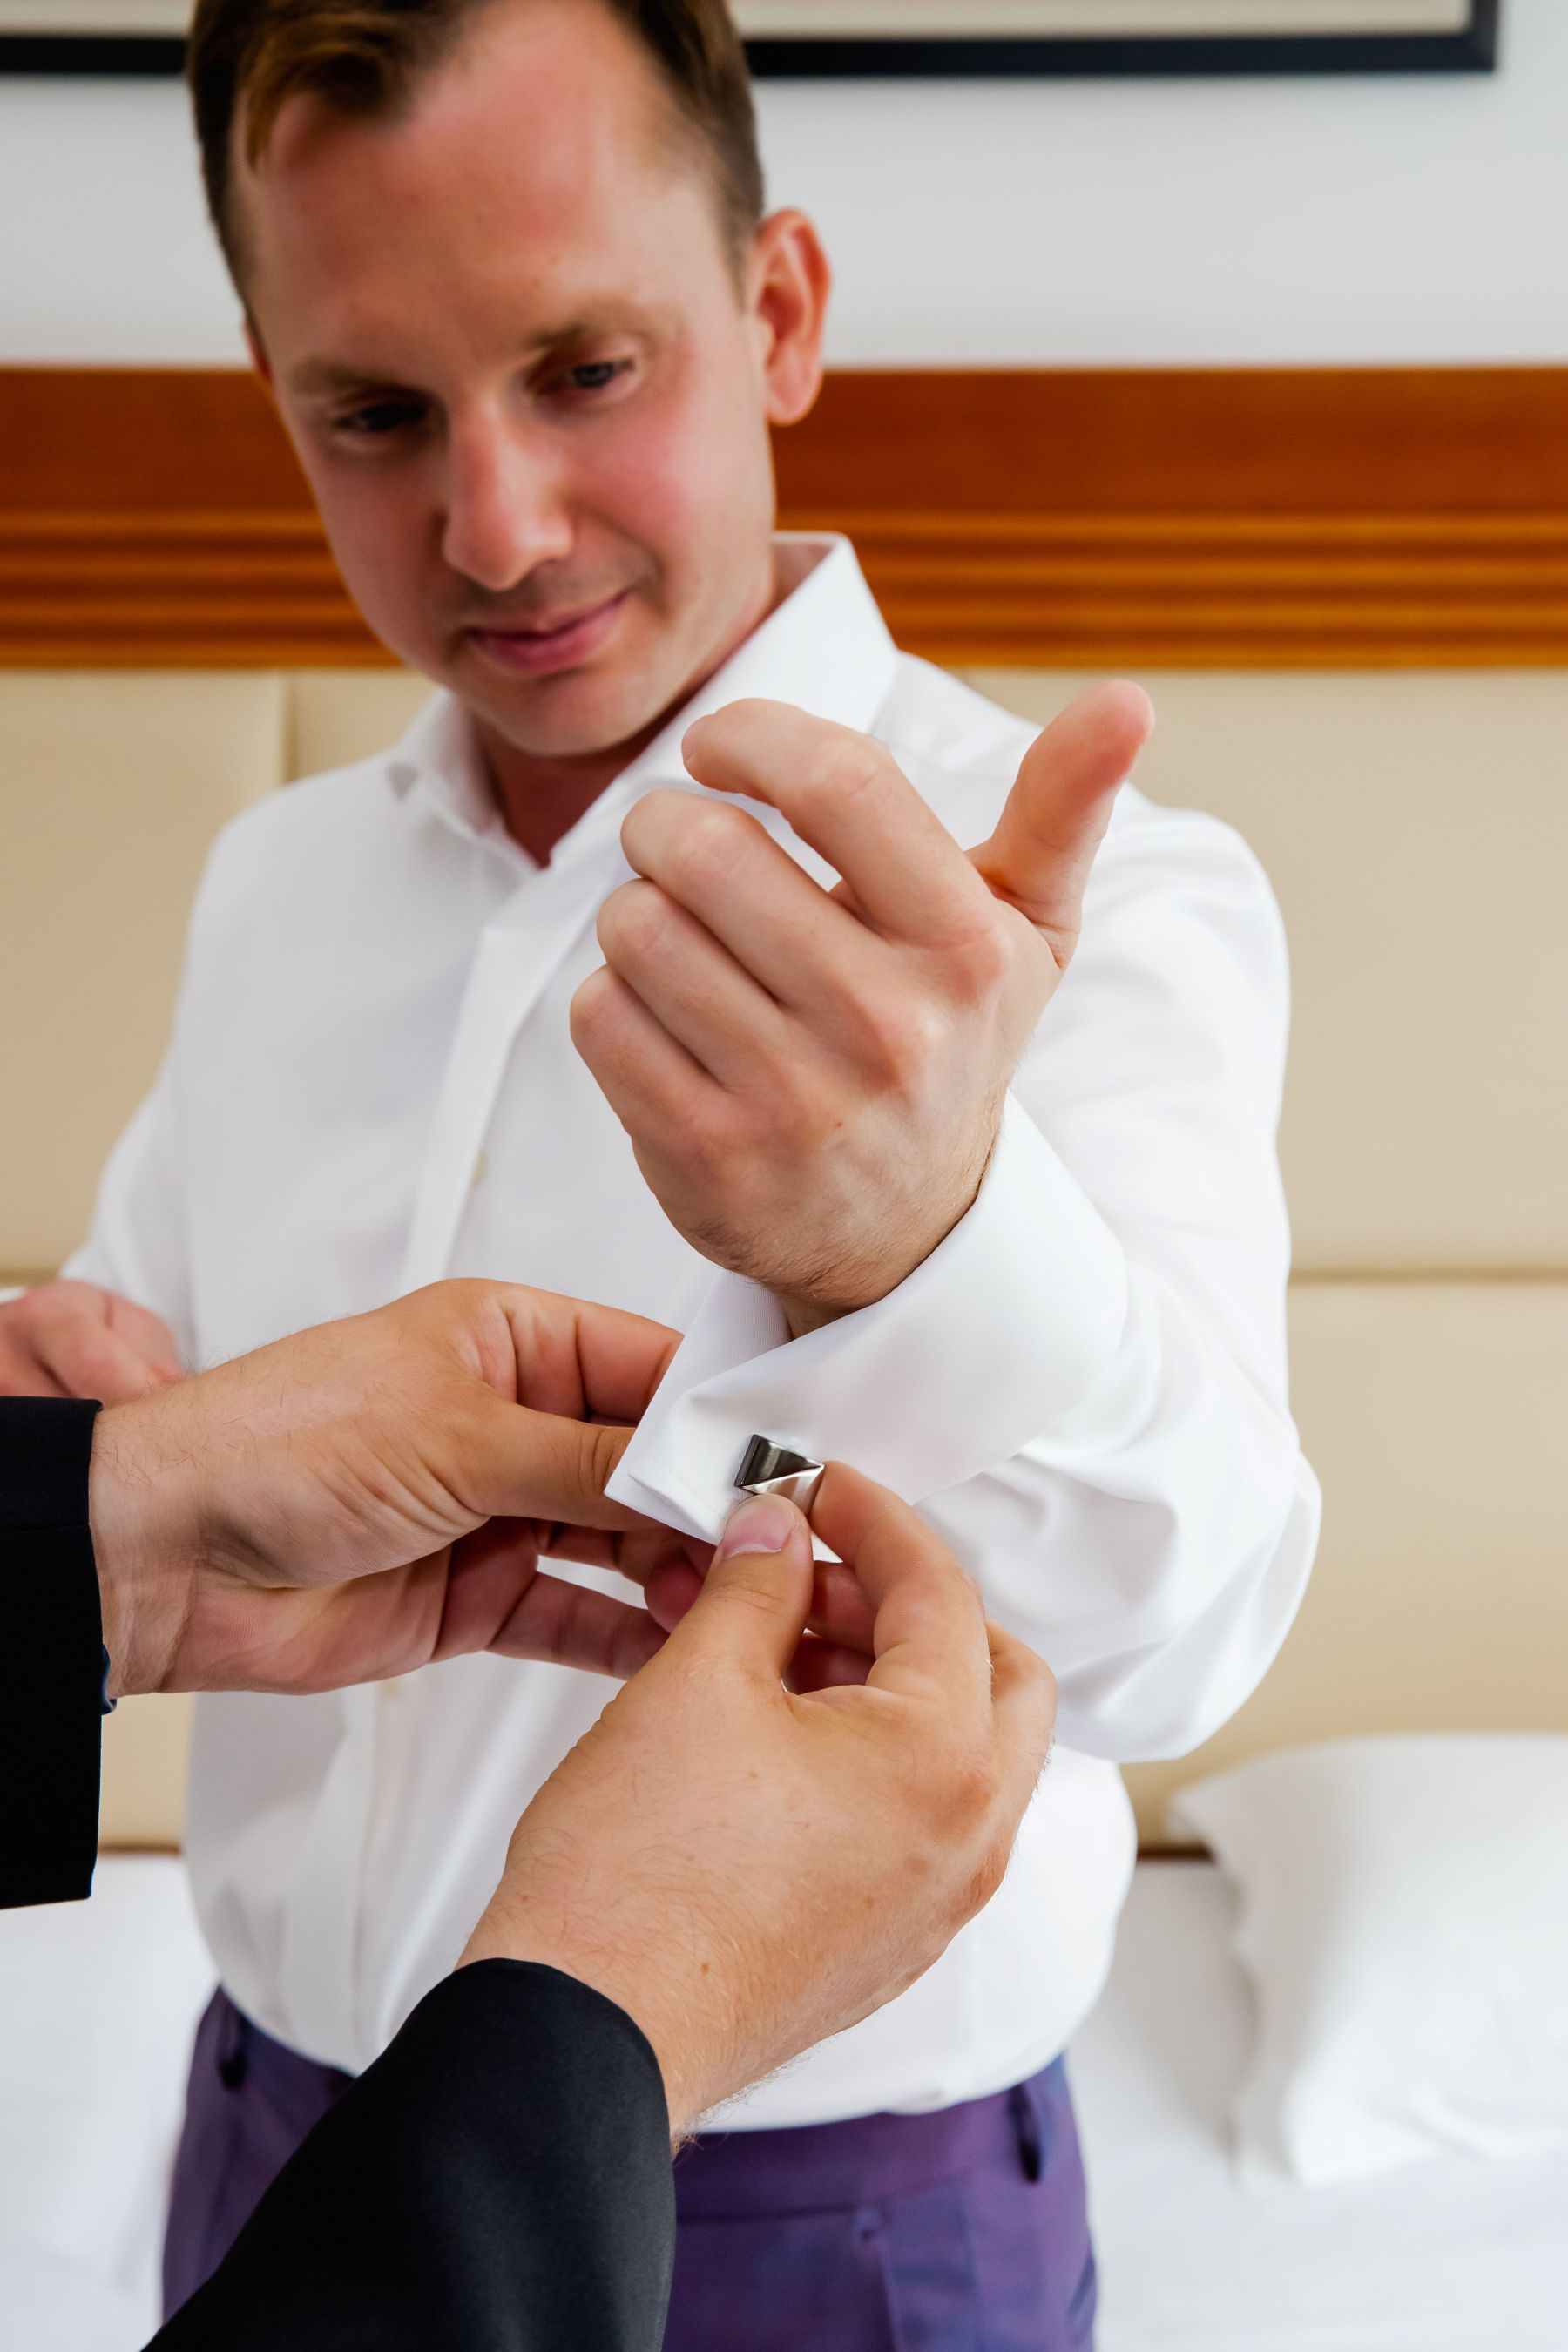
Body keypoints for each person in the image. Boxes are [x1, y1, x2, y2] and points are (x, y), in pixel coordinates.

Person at [0, 0, 1322, 2339]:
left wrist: (921, 1238)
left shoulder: (1103, 901)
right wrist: (78, 1408)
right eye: (376, 415)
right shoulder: (271, 887)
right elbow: (150, 1372)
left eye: (586, 368)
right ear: (275, 393)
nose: (495, 526)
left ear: (778, 310)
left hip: (831, 2220)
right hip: (286, 2156)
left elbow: (1188, 1625)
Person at [2, 1280, 1056, 2349]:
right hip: (279, 2110)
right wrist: (631, 1971)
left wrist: (107, 1547)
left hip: (844, 2201)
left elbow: (1139, 1644)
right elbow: (132, 1316)